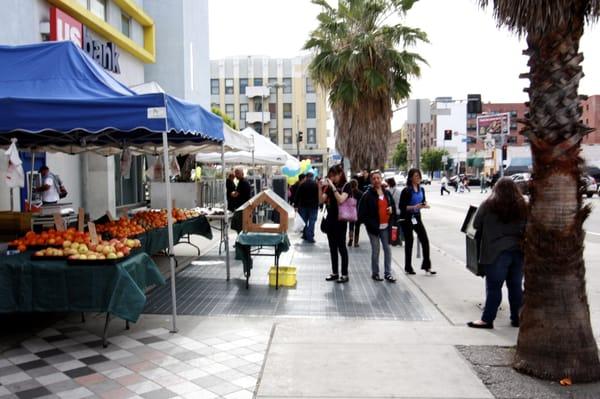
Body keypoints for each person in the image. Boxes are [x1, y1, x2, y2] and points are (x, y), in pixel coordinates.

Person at [468, 177, 527, 329]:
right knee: (515, 286)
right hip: (518, 251)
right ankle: (517, 318)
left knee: (494, 288)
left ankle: (487, 319)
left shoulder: (489, 204)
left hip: (495, 252)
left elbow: (475, 224)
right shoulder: (523, 205)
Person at [359, 171, 397, 282]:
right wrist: (369, 223)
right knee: (376, 250)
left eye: (378, 178)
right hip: (373, 228)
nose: (376, 180)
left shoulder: (387, 193)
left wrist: (391, 209)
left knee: (387, 249)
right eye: (374, 178)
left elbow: (393, 206)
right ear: (371, 180)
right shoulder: (367, 195)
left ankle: (388, 273)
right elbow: (361, 213)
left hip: (385, 226)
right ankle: (375, 273)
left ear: (381, 179)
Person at [399, 168, 436, 275]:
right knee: (409, 242)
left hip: (417, 217)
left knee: (425, 239)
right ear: (411, 178)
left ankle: (427, 266)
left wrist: (424, 205)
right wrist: (414, 207)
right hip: (407, 218)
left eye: (419, 176)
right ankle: (408, 267)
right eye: (416, 176)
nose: (418, 178)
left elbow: (423, 201)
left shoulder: (422, 189)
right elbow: (402, 207)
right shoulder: (406, 191)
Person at [320, 164, 351, 283]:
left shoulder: (346, 185)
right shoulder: (329, 187)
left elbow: (341, 200)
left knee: (341, 247)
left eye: (334, 175)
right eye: (330, 176)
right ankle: (334, 272)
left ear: (340, 174)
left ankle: (344, 274)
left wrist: (332, 186)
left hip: (341, 220)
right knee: (332, 247)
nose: (332, 178)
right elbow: (321, 200)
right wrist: (320, 187)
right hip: (330, 220)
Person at [295, 172, 319, 243]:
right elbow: (318, 195)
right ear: (312, 177)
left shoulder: (302, 185)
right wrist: (320, 205)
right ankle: (310, 236)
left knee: (304, 221)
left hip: (303, 206)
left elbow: (297, 195)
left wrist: (296, 205)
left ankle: (305, 235)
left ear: (306, 177)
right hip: (313, 206)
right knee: (312, 221)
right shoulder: (316, 185)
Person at [385, 177, 403, 246]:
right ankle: (398, 240)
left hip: (391, 211)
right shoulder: (399, 191)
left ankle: (393, 240)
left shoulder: (388, 191)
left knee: (392, 226)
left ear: (389, 183)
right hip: (398, 211)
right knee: (397, 226)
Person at [347, 179, 363, 247]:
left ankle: (350, 239)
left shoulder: (348, 193)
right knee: (357, 227)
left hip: (351, 211)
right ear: (357, 185)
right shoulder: (360, 193)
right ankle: (356, 242)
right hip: (358, 212)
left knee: (351, 226)